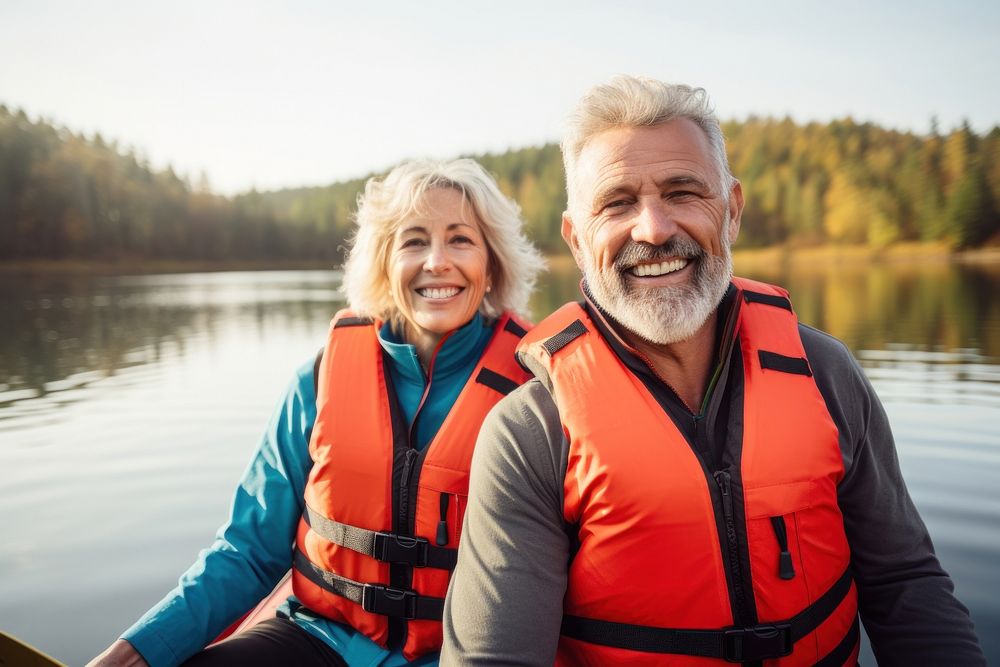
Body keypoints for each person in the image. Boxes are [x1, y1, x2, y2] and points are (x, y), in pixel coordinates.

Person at [441, 76, 986, 666]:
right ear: (576, 239)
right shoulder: (529, 433)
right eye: (617, 203)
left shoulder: (826, 375)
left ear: (731, 212)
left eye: (682, 193)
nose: (653, 229)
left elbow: (908, 586)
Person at [88, 158, 545, 667]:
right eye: (413, 241)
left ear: (493, 266)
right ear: (384, 264)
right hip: (318, 638)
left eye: (460, 239)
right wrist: (131, 655)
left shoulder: (535, 392)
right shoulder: (321, 377)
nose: (436, 261)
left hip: (456, 655)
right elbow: (247, 551)